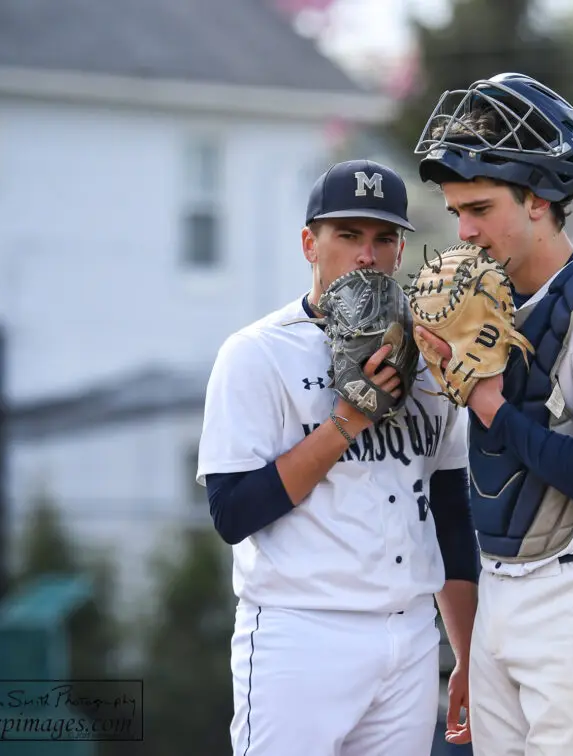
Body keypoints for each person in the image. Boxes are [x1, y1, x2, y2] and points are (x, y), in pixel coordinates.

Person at [413, 73, 573, 755]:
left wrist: (489, 403)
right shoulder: (476, 311)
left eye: (479, 207)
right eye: (455, 210)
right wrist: (470, 648)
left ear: (538, 199)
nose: (463, 230)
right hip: (501, 599)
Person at [196, 158, 479, 756]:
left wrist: (469, 655)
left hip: (409, 640)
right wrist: (349, 420)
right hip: (302, 634)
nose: (365, 255)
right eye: (347, 235)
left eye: (382, 238)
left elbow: (450, 512)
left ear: (400, 250)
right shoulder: (256, 354)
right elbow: (232, 513)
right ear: (310, 243)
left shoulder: (431, 357)